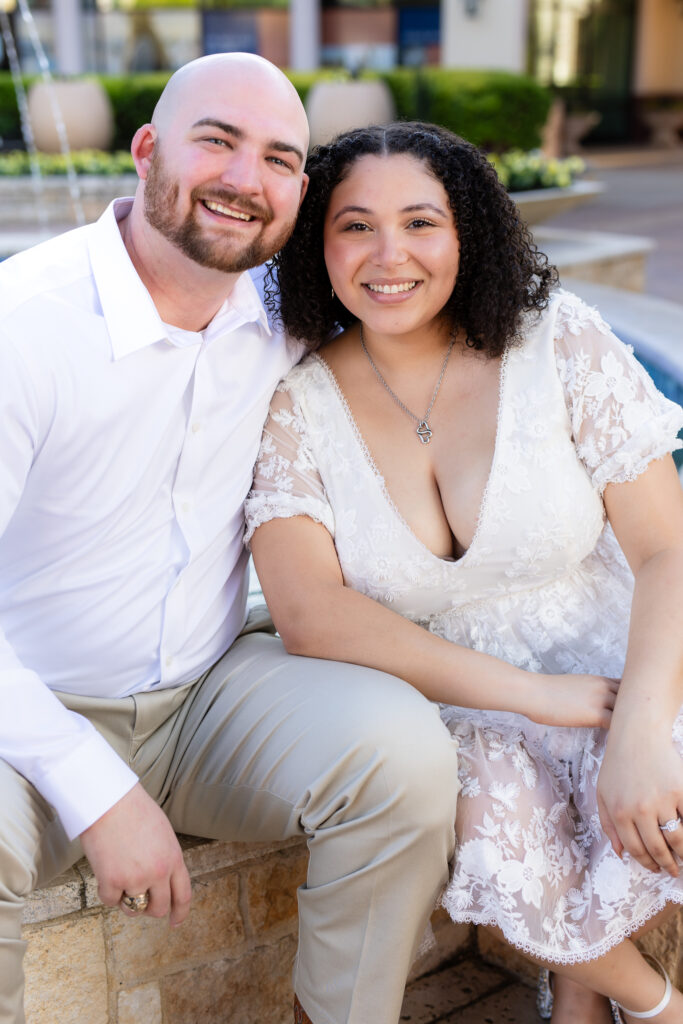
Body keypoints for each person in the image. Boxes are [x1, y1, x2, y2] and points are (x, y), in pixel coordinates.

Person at [0, 62, 462, 1024]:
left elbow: (427, 310)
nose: (245, 178)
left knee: (404, 760)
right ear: (145, 150)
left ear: (298, 190)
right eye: (216, 140)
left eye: (280, 159)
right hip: (27, 709)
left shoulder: (284, 317)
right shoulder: (26, 326)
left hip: (206, 696)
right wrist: (98, 790)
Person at [246, 121, 683, 1024]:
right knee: (480, 817)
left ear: (467, 234)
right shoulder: (292, 401)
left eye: (420, 223)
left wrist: (637, 727)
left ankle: (572, 991)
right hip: (443, 694)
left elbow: (666, 549)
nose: (387, 254)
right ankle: (649, 1002)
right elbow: (309, 614)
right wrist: (532, 694)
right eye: (354, 226)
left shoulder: (554, 339)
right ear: (315, 245)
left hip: (615, 651)